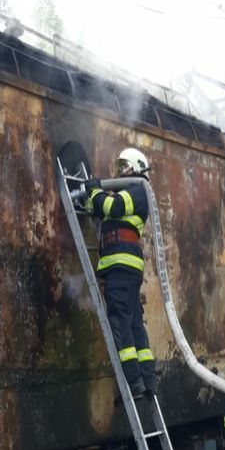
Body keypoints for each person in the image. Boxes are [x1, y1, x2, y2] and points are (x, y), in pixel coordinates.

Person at [77, 148, 156, 400]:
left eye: (125, 164)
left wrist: (95, 188)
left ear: (137, 165)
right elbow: (98, 208)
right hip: (125, 269)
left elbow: (111, 206)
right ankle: (147, 380)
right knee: (133, 325)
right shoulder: (131, 191)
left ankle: (133, 383)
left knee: (121, 324)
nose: (121, 170)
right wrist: (92, 198)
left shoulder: (138, 190)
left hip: (121, 268)